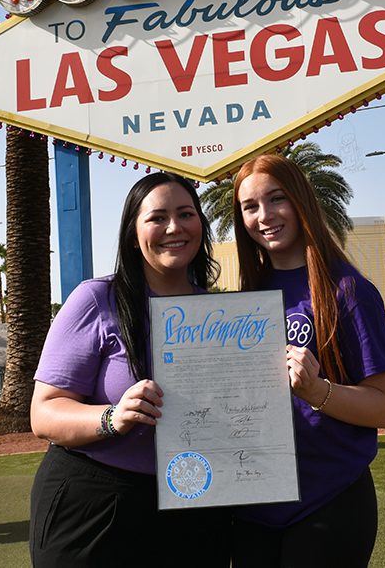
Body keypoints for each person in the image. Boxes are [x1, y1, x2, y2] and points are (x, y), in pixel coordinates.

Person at [29, 172, 230, 567]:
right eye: (157, 217)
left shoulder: (224, 316)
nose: (174, 227)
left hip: (197, 507)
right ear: (132, 233)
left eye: (186, 214)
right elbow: (44, 412)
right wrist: (112, 417)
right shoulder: (96, 299)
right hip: (95, 505)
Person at [230, 153, 385, 568]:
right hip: (253, 504)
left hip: (329, 499)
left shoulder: (349, 290)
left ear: (301, 200)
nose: (264, 215)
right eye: (250, 206)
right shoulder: (242, 301)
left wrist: (316, 390)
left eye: (276, 199)